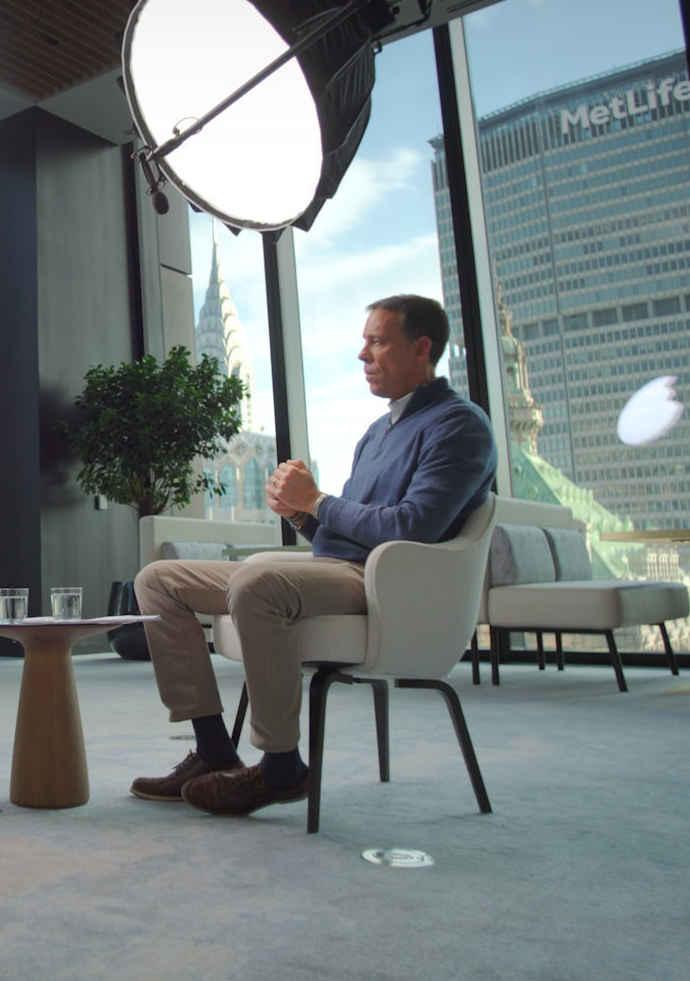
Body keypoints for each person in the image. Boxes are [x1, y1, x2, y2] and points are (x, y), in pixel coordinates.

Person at [130, 294, 496, 816]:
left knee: (257, 585)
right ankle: (213, 751)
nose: (362, 355)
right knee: (158, 580)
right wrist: (301, 514)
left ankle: (281, 769)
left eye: (376, 341)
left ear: (421, 349)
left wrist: (318, 500)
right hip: (341, 569)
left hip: (386, 585)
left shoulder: (460, 425)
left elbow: (413, 528)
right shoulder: (377, 432)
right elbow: (343, 535)